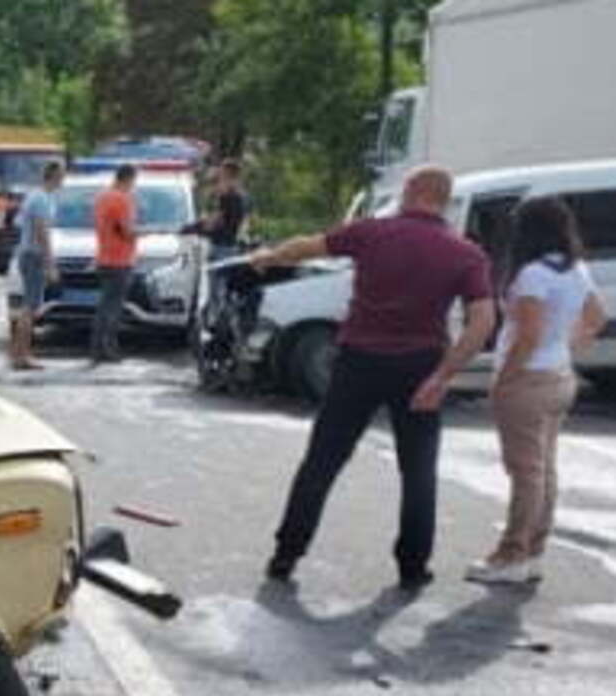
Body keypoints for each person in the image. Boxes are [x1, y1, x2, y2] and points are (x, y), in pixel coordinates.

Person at [251, 165, 498, 591]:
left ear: (410, 191)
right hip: (421, 367)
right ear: (444, 199)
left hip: (358, 362)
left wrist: (267, 256)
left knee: (322, 461)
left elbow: (307, 248)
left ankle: (286, 554)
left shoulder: (372, 232)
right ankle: (412, 567)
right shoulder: (466, 254)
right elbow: (482, 322)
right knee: (418, 472)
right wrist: (443, 377)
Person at [466, 196, 610, 585]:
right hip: (559, 377)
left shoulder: (532, 274)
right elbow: (596, 319)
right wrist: (565, 348)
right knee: (543, 470)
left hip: (528, 380)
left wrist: (503, 379)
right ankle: (532, 552)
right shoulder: (576, 269)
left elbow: (527, 336)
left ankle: (511, 556)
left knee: (526, 473)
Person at [9, 160, 64, 370]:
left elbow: (19, 223)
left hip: (27, 253)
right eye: (61, 175)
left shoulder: (35, 196)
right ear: (54, 176)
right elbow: (42, 232)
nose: (63, 180)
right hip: (34, 255)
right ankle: (22, 355)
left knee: (28, 306)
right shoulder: (42, 199)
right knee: (30, 307)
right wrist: (50, 264)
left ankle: (18, 352)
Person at [91, 164, 139, 363]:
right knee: (113, 307)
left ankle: (97, 346)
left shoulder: (102, 197)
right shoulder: (122, 199)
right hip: (120, 259)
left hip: (104, 256)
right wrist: (142, 232)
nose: (134, 185)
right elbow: (126, 231)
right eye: (133, 181)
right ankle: (108, 348)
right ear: (128, 179)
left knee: (104, 304)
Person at [198, 158, 250, 253]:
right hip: (230, 244)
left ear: (228, 176)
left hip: (220, 245)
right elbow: (245, 221)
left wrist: (202, 226)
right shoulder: (242, 195)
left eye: (222, 175)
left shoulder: (230, 196)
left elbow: (214, 222)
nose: (220, 178)